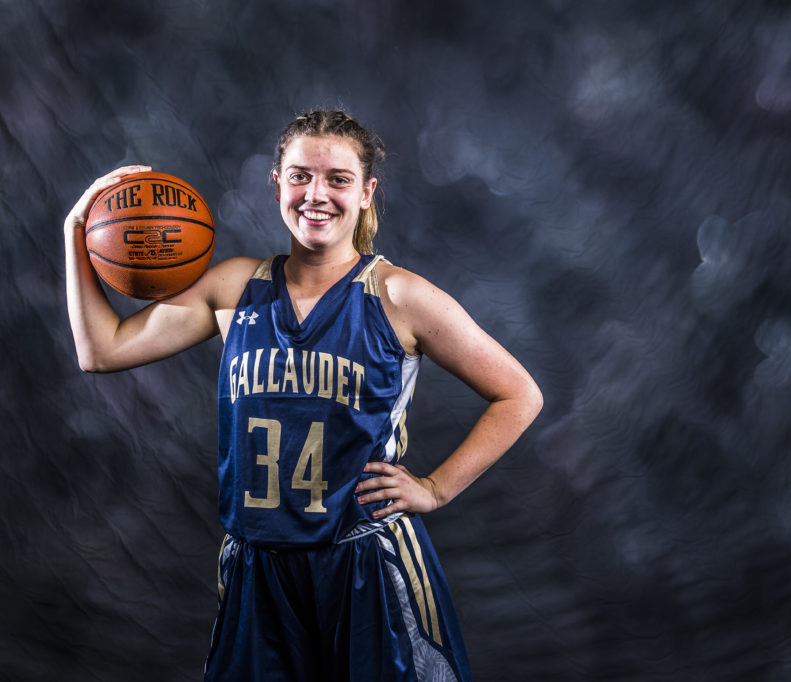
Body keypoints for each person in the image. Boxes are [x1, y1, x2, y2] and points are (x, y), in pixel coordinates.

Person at [64, 109, 542, 682]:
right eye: (300, 176)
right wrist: (77, 231)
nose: (317, 194)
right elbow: (101, 351)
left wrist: (435, 488)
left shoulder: (398, 295)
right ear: (276, 185)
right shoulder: (233, 287)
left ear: (366, 193)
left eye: (338, 179)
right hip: (257, 563)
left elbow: (519, 394)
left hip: (364, 559)